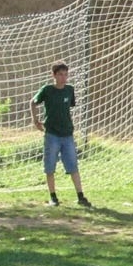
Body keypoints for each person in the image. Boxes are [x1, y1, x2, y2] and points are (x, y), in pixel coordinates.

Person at [30, 62, 92, 208]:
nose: (63, 78)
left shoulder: (69, 90)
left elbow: (69, 107)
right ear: (54, 75)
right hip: (52, 134)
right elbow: (33, 102)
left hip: (67, 134)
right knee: (50, 166)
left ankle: (80, 196)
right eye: (60, 74)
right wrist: (35, 120)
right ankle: (53, 197)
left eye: (65, 74)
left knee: (73, 165)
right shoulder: (47, 90)